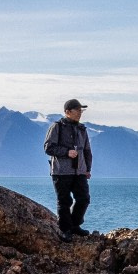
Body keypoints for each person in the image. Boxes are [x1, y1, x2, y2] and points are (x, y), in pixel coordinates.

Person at [43, 99, 93, 242]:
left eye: (81, 111)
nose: (79, 113)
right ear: (67, 112)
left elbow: (87, 151)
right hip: (61, 171)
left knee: (84, 199)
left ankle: (75, 225)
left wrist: (87, 169)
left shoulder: (82, 129)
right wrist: (67, 152)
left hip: (79, 172)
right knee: (64, 201)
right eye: (77, 110)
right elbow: (48, 147)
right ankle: (65, 230)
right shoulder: (56, 127)